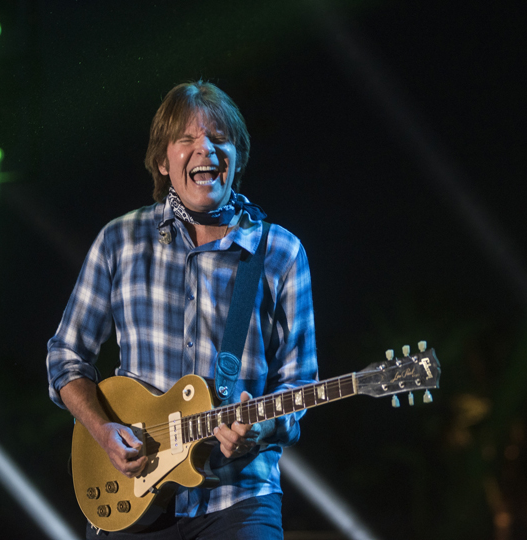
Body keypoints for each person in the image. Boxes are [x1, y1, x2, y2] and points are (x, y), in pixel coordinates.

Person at [46, 81, 318, 539]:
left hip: (239, 497)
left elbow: (300, 380)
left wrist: (262, 426)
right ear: (162, 160)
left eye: (219, 138)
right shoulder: (120, 240)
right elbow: (65, 356)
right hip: (133, 497)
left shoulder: (281, 252)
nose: (205, 148)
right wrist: (102, 430)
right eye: (187, 139)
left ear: (237, 157)